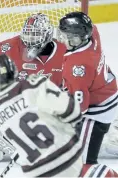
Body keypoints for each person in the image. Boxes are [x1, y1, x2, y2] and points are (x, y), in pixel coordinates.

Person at [0, 54, 84, 177]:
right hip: (67, 157)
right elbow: (71, 110)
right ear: (14, 70)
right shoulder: (31, 86)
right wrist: (73, 123)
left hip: (35, 172)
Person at [58, 12, 118, 175]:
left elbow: (80, 108)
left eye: (66, 36)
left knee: (81, 166)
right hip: (105, 93)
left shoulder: (78, 67)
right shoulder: (93, 35)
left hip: (96, 113)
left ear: (77, 38)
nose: (62, 39)